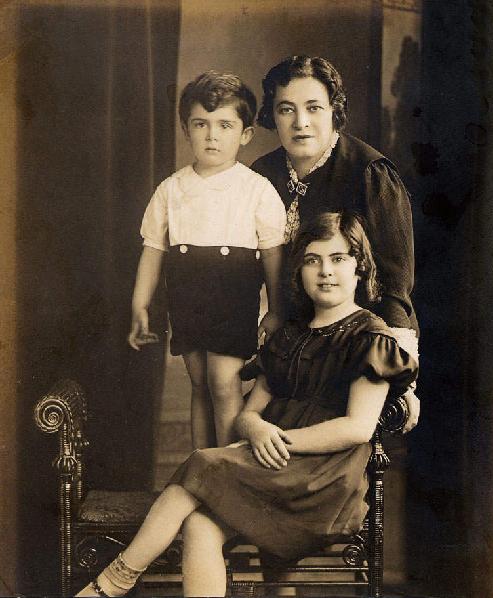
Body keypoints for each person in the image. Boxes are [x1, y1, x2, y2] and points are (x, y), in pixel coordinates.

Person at [76, 211, 418, 597]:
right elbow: (249, 412)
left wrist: (278, 441)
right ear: (300, 272)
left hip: (323, 481)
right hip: (274, 468)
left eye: (338, 259)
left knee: (202, 462)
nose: (325, 271)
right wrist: (254, 427)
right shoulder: (290, 336)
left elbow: (357, 428)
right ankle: (117, 582)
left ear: (360, 267)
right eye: (313, 260)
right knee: (199, 525)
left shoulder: (370, 337)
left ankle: (115, 581)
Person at [251, 55, 420, 431]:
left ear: (334, 110)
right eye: (286, 109)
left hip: (354, 343)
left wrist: (401, 373)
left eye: (313, 107)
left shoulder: (369, 173)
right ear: (272, 115)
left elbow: (395, 284)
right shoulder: (262, 174)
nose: (300, 122)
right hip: (288, 341)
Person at [128, 71, 286, 448]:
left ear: (245, 134)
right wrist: (139, 305)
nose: (212, 135)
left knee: (224, 385)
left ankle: (227, 474)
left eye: (224, 125)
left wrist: (277, 309)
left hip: (232, 302)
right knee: (199, 385)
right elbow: (153, 250)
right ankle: (202, 469)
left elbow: (273, 256)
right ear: (186, 129)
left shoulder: (256, 190)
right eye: (201, 124)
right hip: (187, 303)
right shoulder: (171, 189)